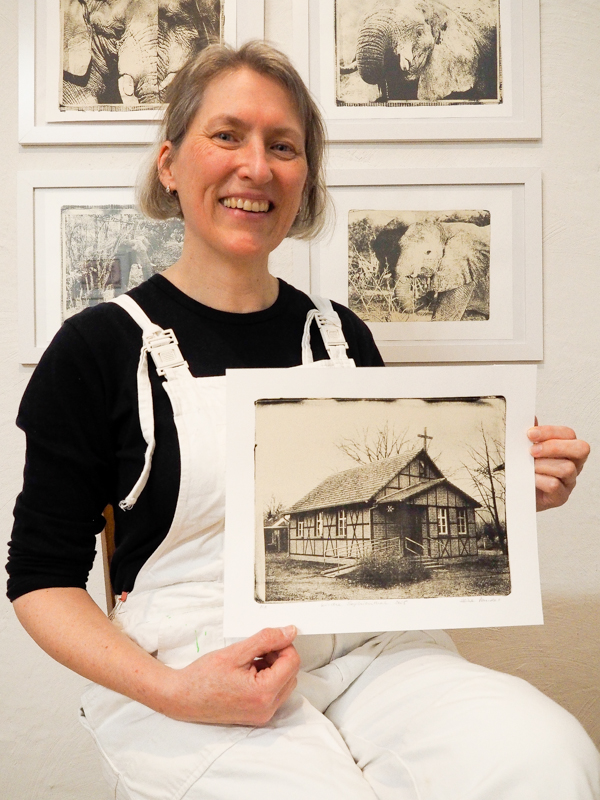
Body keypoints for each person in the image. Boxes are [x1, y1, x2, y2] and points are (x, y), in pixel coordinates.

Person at [6, 42, 598, 800]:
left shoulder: (344, 337)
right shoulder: (99, 347)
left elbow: (405, 517)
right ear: (169, 164)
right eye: (228, 135)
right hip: (194, 669)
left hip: (375, 653)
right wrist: (176, 691)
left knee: (547, 758)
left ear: (304, 180)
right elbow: (40, 579)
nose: (257, 166)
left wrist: (518, 488)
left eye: (283, 146)